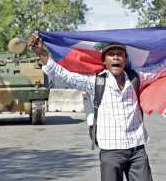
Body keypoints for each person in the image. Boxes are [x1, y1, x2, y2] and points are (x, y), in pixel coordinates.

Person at [27, 34, 166, 181]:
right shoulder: (96, 82)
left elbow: (160, 69)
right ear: (104, 61)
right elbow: (65, 75)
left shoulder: (136, 78)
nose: (116, 58)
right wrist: (42, 53)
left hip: (137, 149)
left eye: (120, 54)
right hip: (111, 152)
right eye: (111, 54)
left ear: (125, 60)